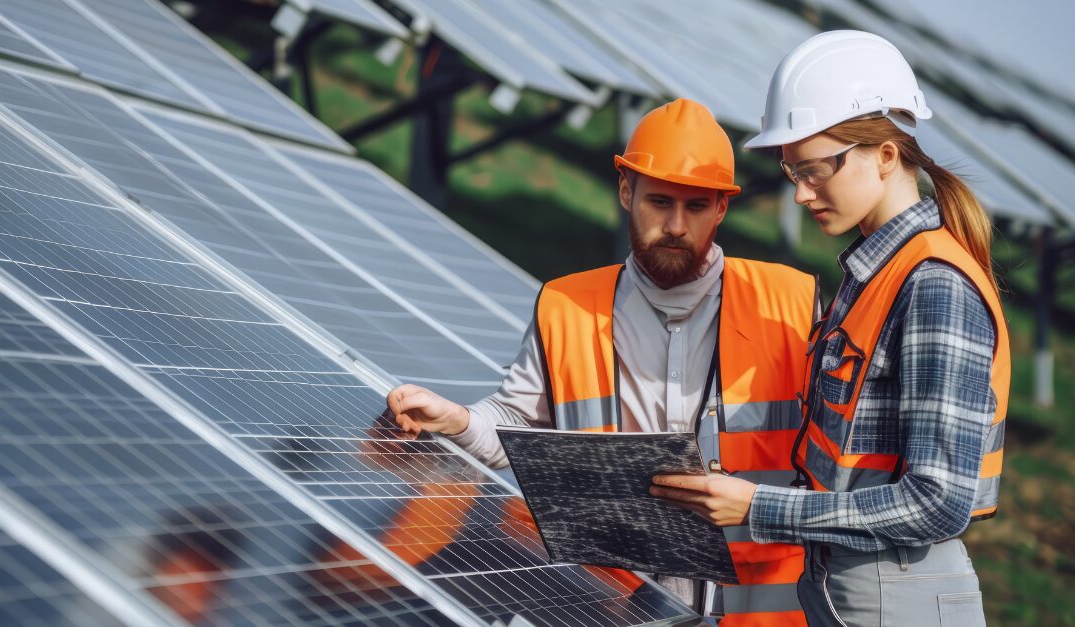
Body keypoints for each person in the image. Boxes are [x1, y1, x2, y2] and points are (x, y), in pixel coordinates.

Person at [388, 99, 818, 626]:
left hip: (761, 614)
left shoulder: (795, 304)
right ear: (625, 191)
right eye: (660, 202)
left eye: (698, 206)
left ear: (722, 209)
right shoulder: (566, 307)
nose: (677, 226)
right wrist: (458, 421)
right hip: (609, 605)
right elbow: (519, 426)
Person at [650, 31, 1008, 627]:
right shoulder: (876, 273)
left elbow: (939, 502)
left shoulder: (934, 286)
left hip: (898, 595)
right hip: (851, 590)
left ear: (887, 155)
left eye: (814, 170)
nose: (798, 194)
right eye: (791, 172)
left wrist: (760, 507)